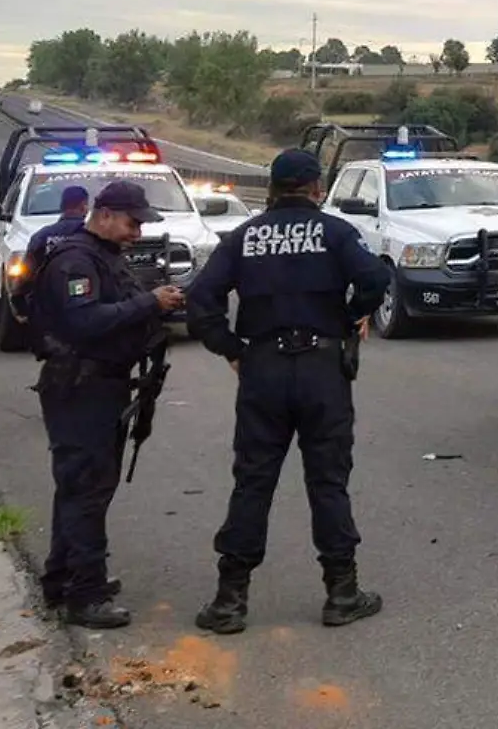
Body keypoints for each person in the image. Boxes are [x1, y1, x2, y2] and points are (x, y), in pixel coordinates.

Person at [187, 149, 392, 634]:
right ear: (316, 188)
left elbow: (201, 299)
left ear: (275, 188)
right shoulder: (336, 232)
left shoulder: (244, 236)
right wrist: (349, 317)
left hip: (263, 370)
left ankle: (229, 601)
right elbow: (375, 278)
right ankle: (342, 592)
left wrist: (230, 347)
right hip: (323, 369)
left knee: (254, 481)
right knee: (328, 481)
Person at [32, 181, 186, 629]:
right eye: (132, 222)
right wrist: (148, 303)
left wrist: (158, 307)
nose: (137, 232)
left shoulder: (105, 258)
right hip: (79, 389)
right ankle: (87, 594)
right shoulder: (75, 261)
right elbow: (84, 322)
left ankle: (62, 578)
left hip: (102, 387)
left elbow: (119, 311)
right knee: (87, 490)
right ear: (103, 214)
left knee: (81, 487)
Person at [12, 185, 90, 326]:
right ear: (84, 207)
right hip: (86, 308)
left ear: (62, 206)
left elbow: (27, 273)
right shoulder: (92, 236)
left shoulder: (42, 236)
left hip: (47, 309)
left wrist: (19, 303)